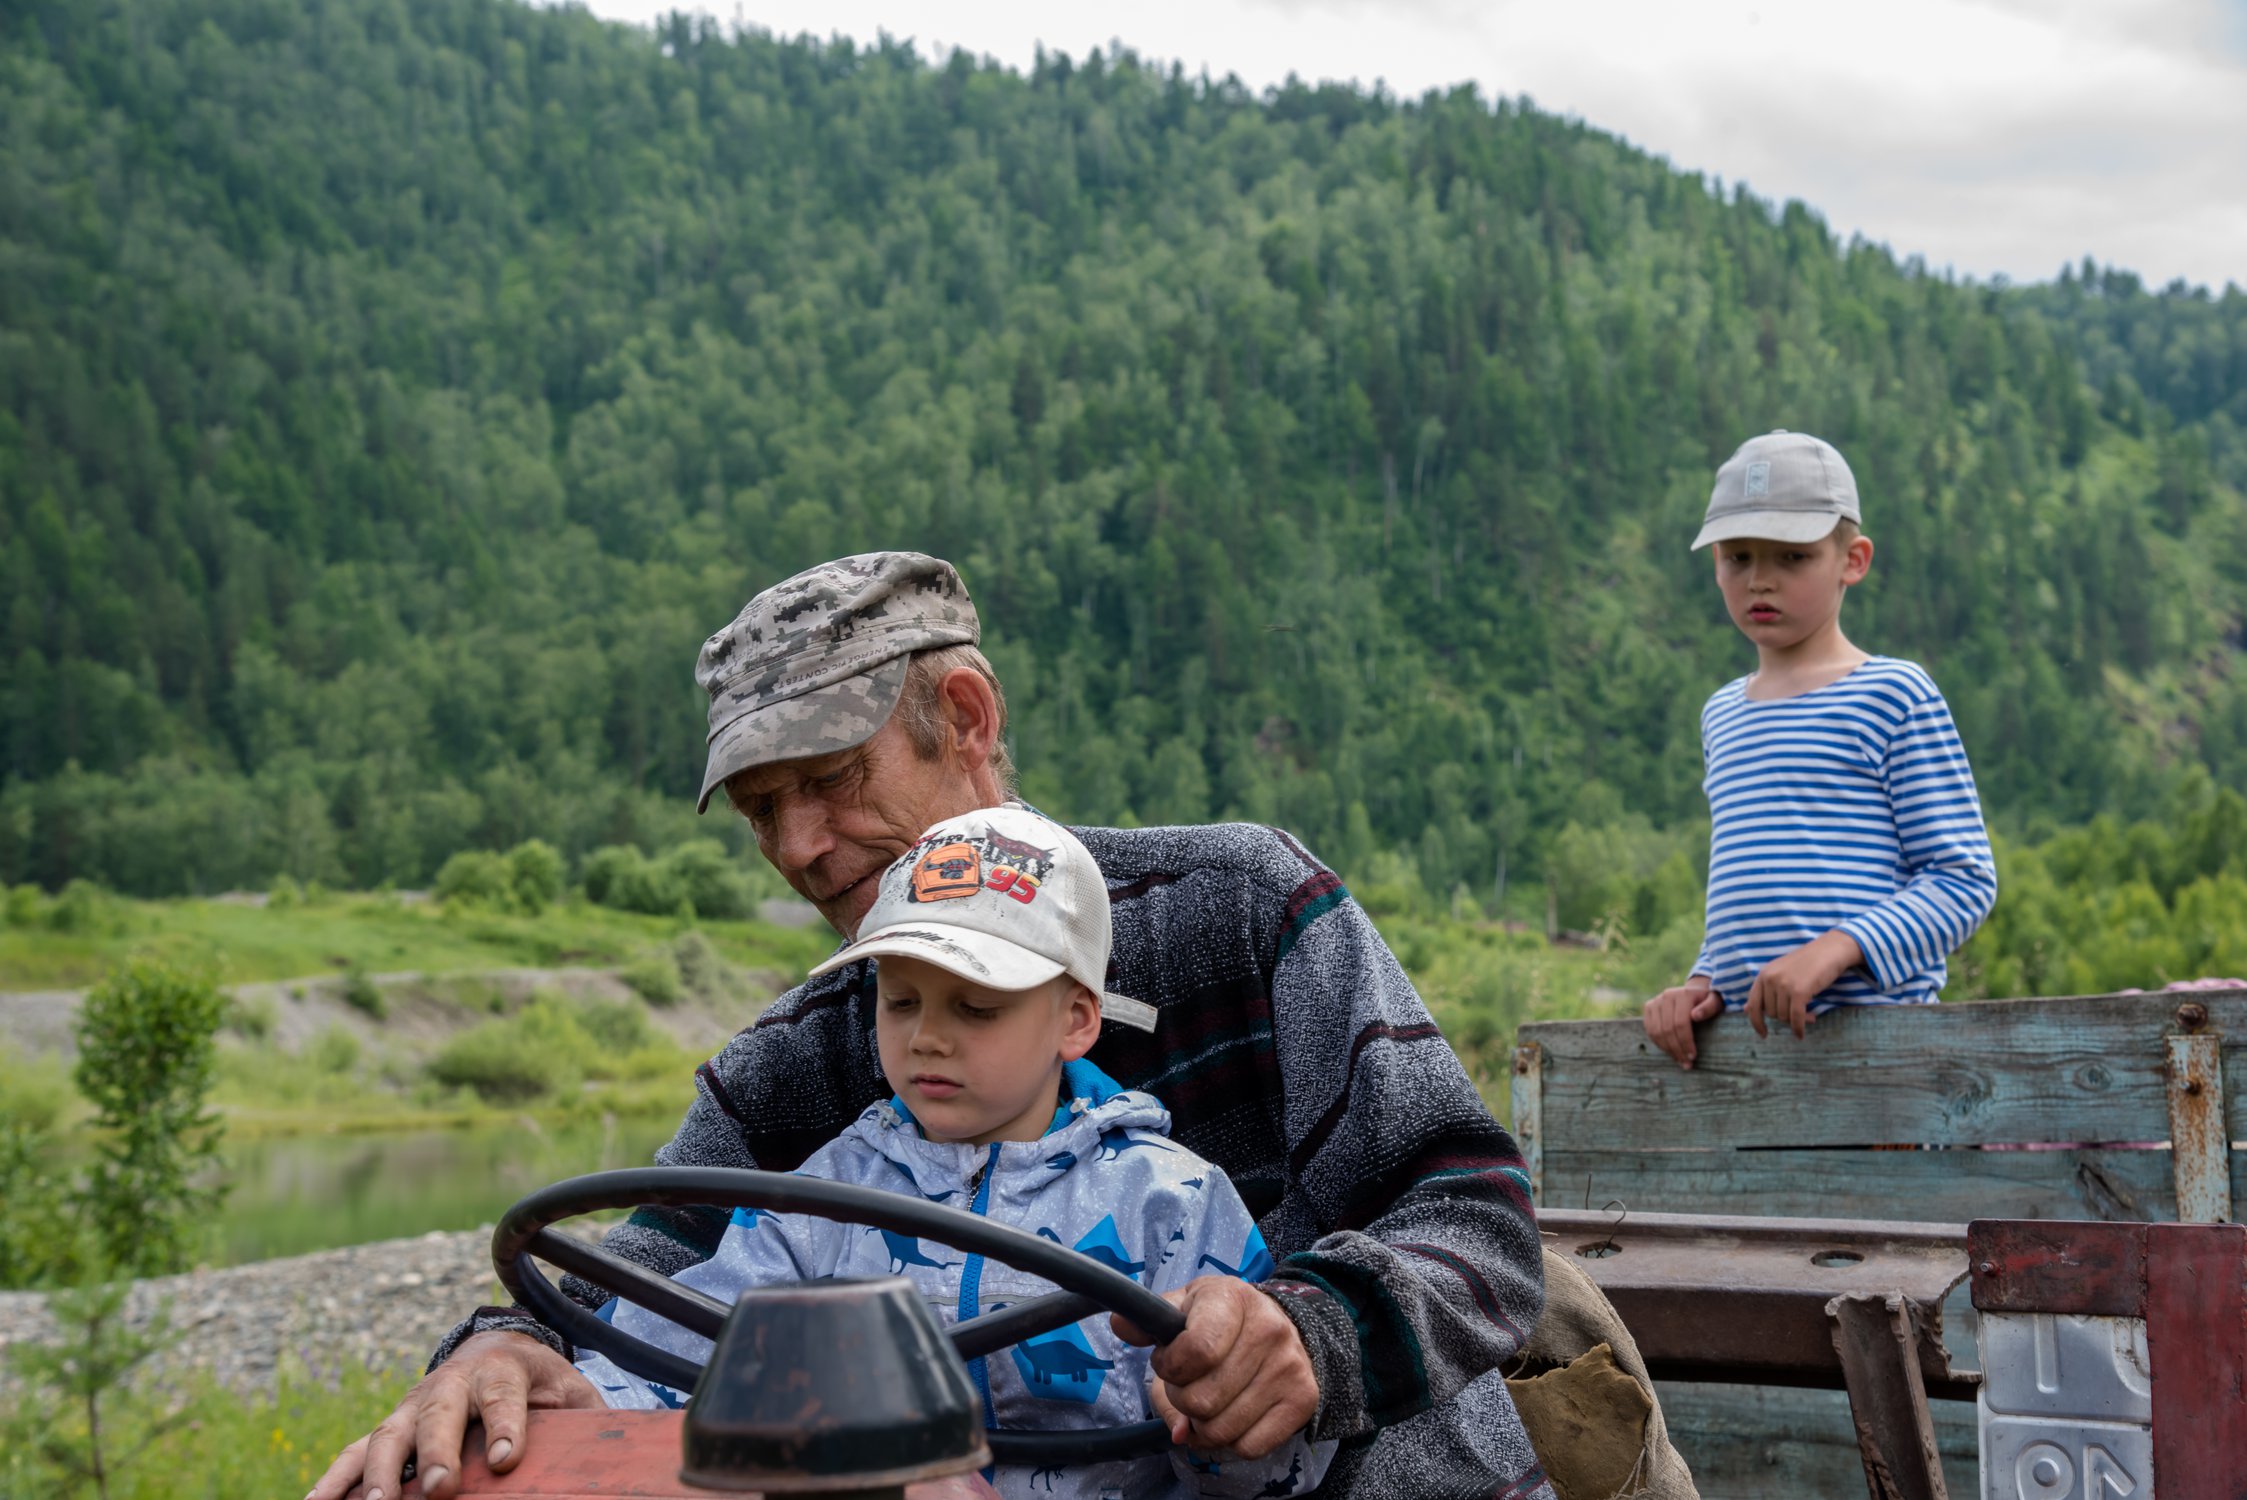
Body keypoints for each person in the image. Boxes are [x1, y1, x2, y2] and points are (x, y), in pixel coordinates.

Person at [313, 552, 1552, 1500]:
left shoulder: (1239, 908)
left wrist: (1315, 1333)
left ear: (965, 717)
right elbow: (658, 1262)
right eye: (759, 810)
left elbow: (1471, 1208)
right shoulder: (803, 1061)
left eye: (831, 781)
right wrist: (509, 1344)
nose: (795, 848)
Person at [578, 805, 1335, 1500]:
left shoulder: (1171, 1199)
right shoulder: (827, 1195)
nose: (926, 1038)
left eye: (975, 1007)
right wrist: (583, 1392)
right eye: (900, 1001)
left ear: (1075, 1020)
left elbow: (1270, 1462)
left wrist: (1223, 1426)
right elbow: (676, 1355)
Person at [1643, 431, 1999, 1070]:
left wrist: (1837, 947)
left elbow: (1963, 881)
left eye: (1792, 558)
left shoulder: (1894, 694)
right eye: (1738, 556)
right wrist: (1704, 982)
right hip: (1756, 1067)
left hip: (1883, 1062)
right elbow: (1748, 884)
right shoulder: (1722, 713)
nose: (1760, 581)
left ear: (1852, 560)